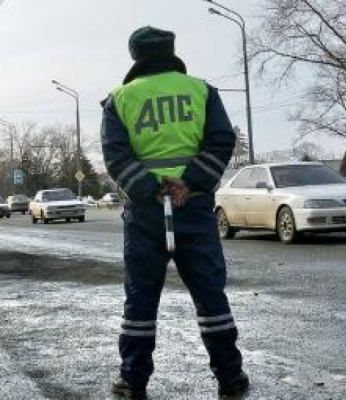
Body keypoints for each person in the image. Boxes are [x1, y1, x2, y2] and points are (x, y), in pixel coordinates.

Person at [100, 26, 249, 400]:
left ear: (135, 56)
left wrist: (151, 188)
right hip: (193, 206)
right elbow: (221, 140)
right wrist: (190, 182)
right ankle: (230, 377)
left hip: (145, 213)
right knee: (210, 295)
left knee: (140, 299)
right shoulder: (202, 91)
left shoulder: (120, 99)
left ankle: (132, 381)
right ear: (171, 51)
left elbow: (116, 156)